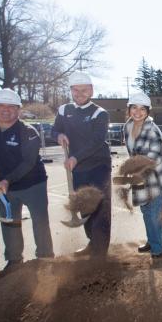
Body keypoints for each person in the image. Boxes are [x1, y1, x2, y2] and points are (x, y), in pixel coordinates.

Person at [0, 88, 54, 270]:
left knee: (40, 220)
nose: (6, 110)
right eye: (1, 106)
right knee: (9, 221)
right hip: (5, 185)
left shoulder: (28, 132)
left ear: (18, 110)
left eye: (11, 107)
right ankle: (14, 260)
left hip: (32, 183)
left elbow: (28, 163)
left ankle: (45, 258)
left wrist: (7, 180)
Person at [52, 72, 112, 257]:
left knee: (100, 208)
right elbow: (55, 130)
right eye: (76, 90)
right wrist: (58, 136)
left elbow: (96, 141)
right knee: (84, 207)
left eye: (84, 90)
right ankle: (92, 243)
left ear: (91, 90)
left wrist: (76, 157)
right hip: (77, 168)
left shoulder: (99, 113)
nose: (80, 93)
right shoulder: (64, 110)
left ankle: (100, 252)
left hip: (98, 166)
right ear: (70, 90)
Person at [123, 92, 162, 258]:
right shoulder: (127, 127)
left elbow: (155, 157)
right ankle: (152, 240)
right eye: (134, 107)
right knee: (146, 211)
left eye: (143, 109)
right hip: (139, 177)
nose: (138, 112)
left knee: (155, 213)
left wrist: (134, 168)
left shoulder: (153, 130)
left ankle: (159, 249)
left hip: (155, 177)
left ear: (148, 111)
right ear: (129, 109)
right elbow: (132, 153)